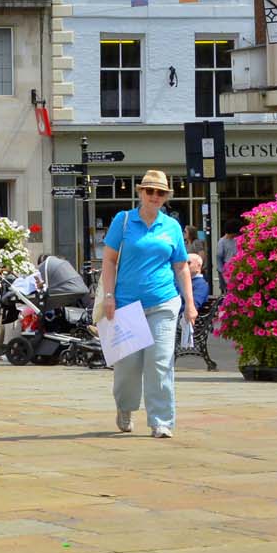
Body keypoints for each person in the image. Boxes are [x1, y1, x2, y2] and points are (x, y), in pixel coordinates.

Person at [97, 170, 193, 439]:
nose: (154, 196)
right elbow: (109, 261)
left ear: (166, 197)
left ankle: (161, 421)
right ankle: (125, 408)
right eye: (150, 191)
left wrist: (190, 303)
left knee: (160, 362)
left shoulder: (172, 226)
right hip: (127, 304)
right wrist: (108, 296)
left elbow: (181, 266)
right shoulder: (124, 221)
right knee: (127, 367)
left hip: (163, 302)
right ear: (140, 193)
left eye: (160, 192)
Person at [0, 252, 88, 359]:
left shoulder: (48, 283)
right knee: (2, 317)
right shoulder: (38, 277)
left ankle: (9, 351)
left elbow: (35, 288)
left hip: (43, 306)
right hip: (35, 303)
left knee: (15, 320)